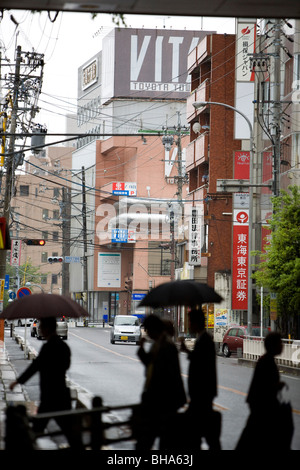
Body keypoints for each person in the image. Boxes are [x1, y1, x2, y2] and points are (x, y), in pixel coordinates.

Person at [10, 316, 81, 448]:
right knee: (70, 432)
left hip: (49, 396)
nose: (40, 329)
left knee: (37, 430)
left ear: (48, 329)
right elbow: (66, 365)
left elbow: (35, 367)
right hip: (62, 395)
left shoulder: (48, 348)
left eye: (42, 327)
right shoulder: (64, 346)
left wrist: (17, 382)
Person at [135, 315, 186, 451]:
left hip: (163, 401)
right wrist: (141, 349)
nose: (147, 333)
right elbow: (149, 364)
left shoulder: (166, 346)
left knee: (157, 440)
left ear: (154, 329)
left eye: (147, 329)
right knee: (155, 440)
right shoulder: (158, 344)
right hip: (158, 400)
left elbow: (165, 375)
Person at [236, 332, 292, 450]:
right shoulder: (267, 362)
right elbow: (265, 388)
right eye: (280, 343)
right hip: (263, 410)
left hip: (261, 409)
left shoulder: (266, 360)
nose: (282, 345)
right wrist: (277, 386)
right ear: (274, 345)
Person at [180, 308, 221, 451]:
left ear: (197, 322)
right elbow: (199, 359)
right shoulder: (202, 339)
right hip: (202, 394)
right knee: (201, 434)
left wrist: (187, 351)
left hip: (202, 394)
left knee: (200, 432)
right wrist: (186, 350)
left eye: (191, 321)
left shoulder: (205, 340)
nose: (189, 325)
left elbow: (202, 364)